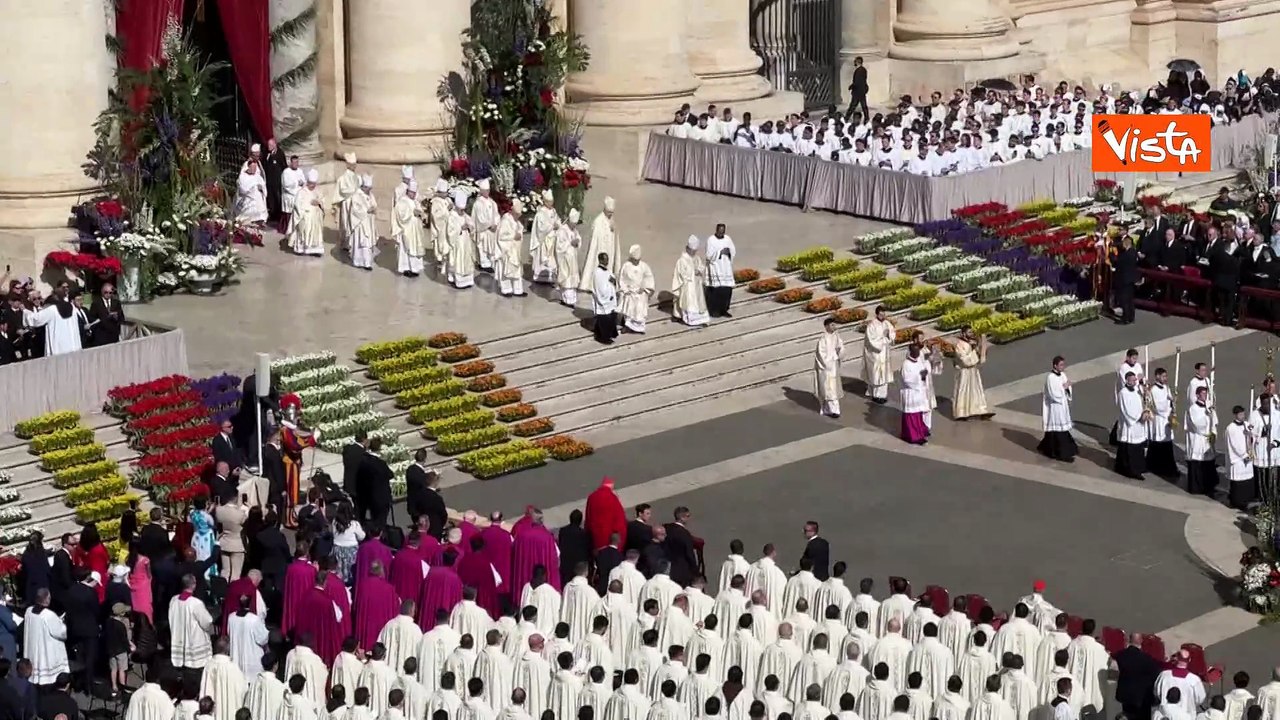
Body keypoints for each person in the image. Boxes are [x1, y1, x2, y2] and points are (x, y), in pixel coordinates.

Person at [22, 281, 81, 356]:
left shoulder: (52, 309)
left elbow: (35, 319)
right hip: (73, 348)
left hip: (59, 350)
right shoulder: (72, 307)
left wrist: (25, 311)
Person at [1112, 633, 1162, 720]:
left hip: (1125, 696)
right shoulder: (1147, 659)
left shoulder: (1120, 655)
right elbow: (1156, 675)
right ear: (1140, 641)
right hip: (1142, 698)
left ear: (1129, 640)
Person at [1038, 356, 1077, 462]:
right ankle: (1062, 453)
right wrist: (1063, 387)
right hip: (1055, 406)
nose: (1063, 367)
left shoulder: (1063, 375)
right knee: (1058, 429)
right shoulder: (1050, 377)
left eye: (1063, 365)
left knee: (1061, 428)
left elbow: (1066, 386)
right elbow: (1053, 393)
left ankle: (1046, 446)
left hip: (1062, 405)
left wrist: (1068, 387)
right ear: (1055, 365)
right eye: (1061, 365)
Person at [580, 197, 620, 296]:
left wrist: (614, 230)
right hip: (600, 248)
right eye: (609, 212)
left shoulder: (611, 220)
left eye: (612, 212)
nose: (611, 214)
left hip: (609, 248)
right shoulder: (598, 221)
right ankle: (591, 284)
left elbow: (614, 232)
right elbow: (596, 237)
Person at [1185, 385, 1220, 496]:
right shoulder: (1193, 409)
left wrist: (1213, 432)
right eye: (1203, 394)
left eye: (1206, 393)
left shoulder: (1209, 406)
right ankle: (1197, 488)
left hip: (1208, 439)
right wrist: (1206, 415)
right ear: (1197, 395)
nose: (1205, 396)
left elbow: (1215, 421)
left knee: (1209, 463)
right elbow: (1197, 425)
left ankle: (1209, 486)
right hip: (1198, 439)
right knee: (1198, 463)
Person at [951, 327, 992, 420]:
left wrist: (981, 348)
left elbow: (980, 355)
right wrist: (974, 350)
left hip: (973, 370)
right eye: (969, 332)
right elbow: (964, 359)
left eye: (972, 332)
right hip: (964, 371)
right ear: (963, 334)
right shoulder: (959, 345)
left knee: (976, 390)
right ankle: (961, 413)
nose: (971, 334)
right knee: (963, 390)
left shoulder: (973, 343)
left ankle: (980, 410)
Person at [1114, 371, 1148, 480]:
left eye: (1135, 380)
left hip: (1139, 424)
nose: (1134, 381)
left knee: (1139, 447)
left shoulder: (1137, 390)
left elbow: (1144, 401)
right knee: (1131, 448)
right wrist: (1139, 416)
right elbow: (1126, 410)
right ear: (1127, 380)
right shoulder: (1123, 393)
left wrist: (1145, 393)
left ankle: (1139, 467)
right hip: (1131, 425)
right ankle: (1132, 470)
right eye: (1132, 380)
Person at [1146, 368, 1178, 478]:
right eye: (1163, 376)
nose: (1165, 378)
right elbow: (1158, 407)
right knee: (1158, 443)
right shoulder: (1154, 390)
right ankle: (1155, 467)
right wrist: (1169, 402)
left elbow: (1170, 403)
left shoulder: (1166, 387)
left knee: (1167, 444)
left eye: (1166, 376)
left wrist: (1173, 402)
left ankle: (1168, 468)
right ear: (1157, 376)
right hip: (1159, 420)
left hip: (1167, 419)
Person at [673, 237, 711, 327]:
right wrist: (694, 272)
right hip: (688, 285)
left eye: (694, 251)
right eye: (691, 251)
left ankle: (701, 319)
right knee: (690, 303)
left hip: (697, 284)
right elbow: (682, 272)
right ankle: (690, 320)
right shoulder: (682, 260)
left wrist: (700, 270)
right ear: (687, 249)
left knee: (698, 302)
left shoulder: (696, 258)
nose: (693, 253)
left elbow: (701, 266)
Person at [617, 245, 656, 333]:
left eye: (638, 260)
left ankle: (639, 327)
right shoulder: (626, 266)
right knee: (629, 309)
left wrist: (645, 288)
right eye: (635, 260)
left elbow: (648, 278)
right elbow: (621, 279)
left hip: (640, 291)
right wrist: (625, 290)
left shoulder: (644, 266)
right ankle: (627, 325)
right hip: (630, 292)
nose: (636, 262)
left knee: (639, 309)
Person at [289, 169, 325, 256]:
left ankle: (315, 249)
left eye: (314, 184)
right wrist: (309, 205)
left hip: (316, 217)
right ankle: (302, 248)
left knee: (316, 226)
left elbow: (322, 200)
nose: (312, 186)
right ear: (307, 182)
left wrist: (319, 203)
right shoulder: (301, 192)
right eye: (311, 183)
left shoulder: (317, 191)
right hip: (305, 215)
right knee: (307, 222)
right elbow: (297, 205)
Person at [394, 181, 427, 277]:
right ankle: (406, 268)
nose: (413, 194)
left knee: (415, 248)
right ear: (407, 191)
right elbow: (401, 214)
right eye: (412, 192)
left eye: (414, 193)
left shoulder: (415, 201)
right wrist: (412, 212)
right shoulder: (402, 201)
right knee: (408, 248)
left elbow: (420, 211)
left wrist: (421, 214)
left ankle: (415, 268)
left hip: (416, 229)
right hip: (407, 229)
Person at [814, 317, 845, 418]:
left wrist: (840, 351)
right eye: (832, 325)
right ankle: (832, 410)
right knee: (829, 389)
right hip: (827, 368)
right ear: (826, 326)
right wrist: (828, 363)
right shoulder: (823, 339)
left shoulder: (836, 336)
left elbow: (840, 347)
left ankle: (833, 410)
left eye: (834, 325)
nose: (834, 327)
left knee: (833, 389)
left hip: (834, 365)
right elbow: (820, 354)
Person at [496, 199, 527, 297]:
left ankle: (518, 290)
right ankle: (506, 289)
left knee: (517, 269)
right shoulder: (505, 220)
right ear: (512, 211)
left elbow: (520, 229)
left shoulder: (516, 221)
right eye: (517, 214)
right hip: (507, 250)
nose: (518, 217)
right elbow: (501, 236)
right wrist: (513, 236)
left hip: (515, 250)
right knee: (506, 269)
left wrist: (519, 234)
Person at [446, 189, 477, 289]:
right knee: (458, 260)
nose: (462, 211)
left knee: (466, 259)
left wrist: (469, 226)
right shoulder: (452, 216)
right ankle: (457, 280)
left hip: (466, 242)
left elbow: (472, 225)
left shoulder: (465, 215)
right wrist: (460, 228)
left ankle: (467, 280)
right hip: (457, 243)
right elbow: (450, 232)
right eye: (460, 210)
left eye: (463, 210)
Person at [704, 224, 736, 318]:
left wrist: (729, 252)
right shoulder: (711, 240)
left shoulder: (727, 239)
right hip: (715, 269)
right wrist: (720, 252)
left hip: (725, 269)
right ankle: (714, 310)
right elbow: (708, 256)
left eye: (723, 231)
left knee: (726, 291)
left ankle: (724, 310)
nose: (721, 233)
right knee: (716, 291)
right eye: (720, 231)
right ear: (716, 230)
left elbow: (733, 250)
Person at [900, 347, 931, 445]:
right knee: (911, 415)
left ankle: (920, 432)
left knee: (918, 414)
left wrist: (925, 372)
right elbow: (907, 379)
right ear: (910, 352)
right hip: (911, 393)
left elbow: (925, 371)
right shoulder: (906, 364)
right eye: (915, 351)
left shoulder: (919, 361)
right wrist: (919, 376)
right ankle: (913, 436)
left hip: (919, 392)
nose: (917, 352)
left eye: (918, 351)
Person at [863, 306, 894, 404]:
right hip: (875, 353)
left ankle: (883, 395)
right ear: (877, 314)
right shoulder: (872, 325)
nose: (883, 316)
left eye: (884, 314)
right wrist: (883, 337)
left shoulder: (887, 323)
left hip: (884, 352)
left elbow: (892, 334)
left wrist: (889, 336)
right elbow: (871, 340)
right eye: (881, 314)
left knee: (884, 374)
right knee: (876, 374)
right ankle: (876, 395)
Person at [361, 438, 395, 528]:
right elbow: (390, 474)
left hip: (370, 496)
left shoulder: (364, 461)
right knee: (381, 522)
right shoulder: (380, 463)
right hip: (381, 497)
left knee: (374, 519)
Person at [348, 174, 378, 271]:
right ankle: (359, 261)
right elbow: (355, 210)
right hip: (360, 224)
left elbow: (374, 204)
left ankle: (367, 262)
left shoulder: (370, 195)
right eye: (367, 188)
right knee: (363, 242)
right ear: (363, 187)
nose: (369, 190)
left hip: (369, 223)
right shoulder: (356, 196)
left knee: (367, 243)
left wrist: (373, 208)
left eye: (370, 188)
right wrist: (366, 211)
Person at [1228, 405, 1255, 509]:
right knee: (1238, 483)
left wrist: (1250, 435)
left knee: (1247, 480)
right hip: (1238, 459)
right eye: (1240, 414)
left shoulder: (1247, 425)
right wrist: (1244, 455)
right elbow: (1234, 444)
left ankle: (1247, 500)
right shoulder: (1231, 428)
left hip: (1247, 456)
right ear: (1235, 415)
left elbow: (1253, 437)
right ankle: (1237, 502)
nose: (1243, 416)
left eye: (1243, 414)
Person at [555, 209, 583, 307]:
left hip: (573, 258)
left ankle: (572, 299)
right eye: (573, 223)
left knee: (573, 279)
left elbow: (578, 238)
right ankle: (566, 299)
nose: (574, 226)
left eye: (576, 224)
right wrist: (570, 243)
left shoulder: (574, 230)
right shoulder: (562, 230)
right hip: (565, 258)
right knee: (566, 279)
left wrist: (577, 242)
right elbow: (559, 245)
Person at [591, 253, 619, 345]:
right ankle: (604, 337)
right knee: (605, 318)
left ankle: (605, 333)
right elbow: (600, 288)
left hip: (610, 298)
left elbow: (611, 279)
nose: (607, 261)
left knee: (611, 316)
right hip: (604, 298)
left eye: (608, 259)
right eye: (605, 259)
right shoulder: (597, 273)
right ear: (600, 260)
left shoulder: (607, 271)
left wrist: (614, 283)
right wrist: (608, 295)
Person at [472, 179, 500, 272]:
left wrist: (496, 223)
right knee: (482, 247)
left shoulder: (492, 202)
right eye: (485, 190)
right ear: (481, 191)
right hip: (484, 230)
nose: (487, 192)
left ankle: (490, 262)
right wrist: (489, 225)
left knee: (491, 247)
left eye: (488, 190)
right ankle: (483, 264)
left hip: (492, 230)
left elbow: (496, 214)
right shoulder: (478, 203)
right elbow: (480, 219)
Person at [532, 192, 560, 284]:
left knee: (551, 258)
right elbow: (540, 228)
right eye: (549, 202)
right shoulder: (540, 213)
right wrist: (552, 226)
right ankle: (540, 276)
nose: (551, 204)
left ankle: (550, 276)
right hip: (544, 240)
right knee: (543, 257)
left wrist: (558, 224)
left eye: (552, 202)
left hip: (552, 238)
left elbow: (557, 220)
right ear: (545, 202)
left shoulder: (553, 211)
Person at [335, 153, 361, 251]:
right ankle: (345, 242)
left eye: (355, 164)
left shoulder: (356, 176)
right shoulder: (343, 177)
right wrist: (354, 190)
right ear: (348, 165)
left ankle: (353, 241)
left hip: (355, 202)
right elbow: (343, 190)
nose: (355, 166)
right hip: (347, 202)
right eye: (353, 165)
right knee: (346, 222)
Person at [1112, 235, 1139, 324]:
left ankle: (1126, 318)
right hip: (1130, 279)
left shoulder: (1127, 254)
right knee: (1130, 299)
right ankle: (1131, 317)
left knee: (1125, 299)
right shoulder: (1133, 252)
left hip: (1125, 279)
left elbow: (1120, 263)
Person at [235, 159, 269, 226]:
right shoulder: (243, 176)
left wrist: (261, 188)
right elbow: (243, 188)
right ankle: (247, 220)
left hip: (258, 195)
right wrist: (252, 187)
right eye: (253, 167)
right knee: (251, 204)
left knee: (260, 204)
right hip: (247, 197)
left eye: (255, 168)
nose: (254, 169)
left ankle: (259, 221)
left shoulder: (258, 176)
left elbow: (263, 185)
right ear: (249, 167)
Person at [428, 179, 452, 272]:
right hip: (440, 227)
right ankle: (439, 259)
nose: (446, 195)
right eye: (444, 193)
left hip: (448, 226)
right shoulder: (436, 202)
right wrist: (446, 210)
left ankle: (446, 258)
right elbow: (436, 216)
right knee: (440, 244)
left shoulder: (448, 200)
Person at [279, 155, 305, 235]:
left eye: (297, 162)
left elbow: (304, 181)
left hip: (298, 194)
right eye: (294, 162)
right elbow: (286, 185)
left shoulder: (300, 171)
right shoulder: (286, 172)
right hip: (289, 195)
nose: (295, 164)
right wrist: (297, 183)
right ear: (291, 162)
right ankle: (288, 229)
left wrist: (302, 183)